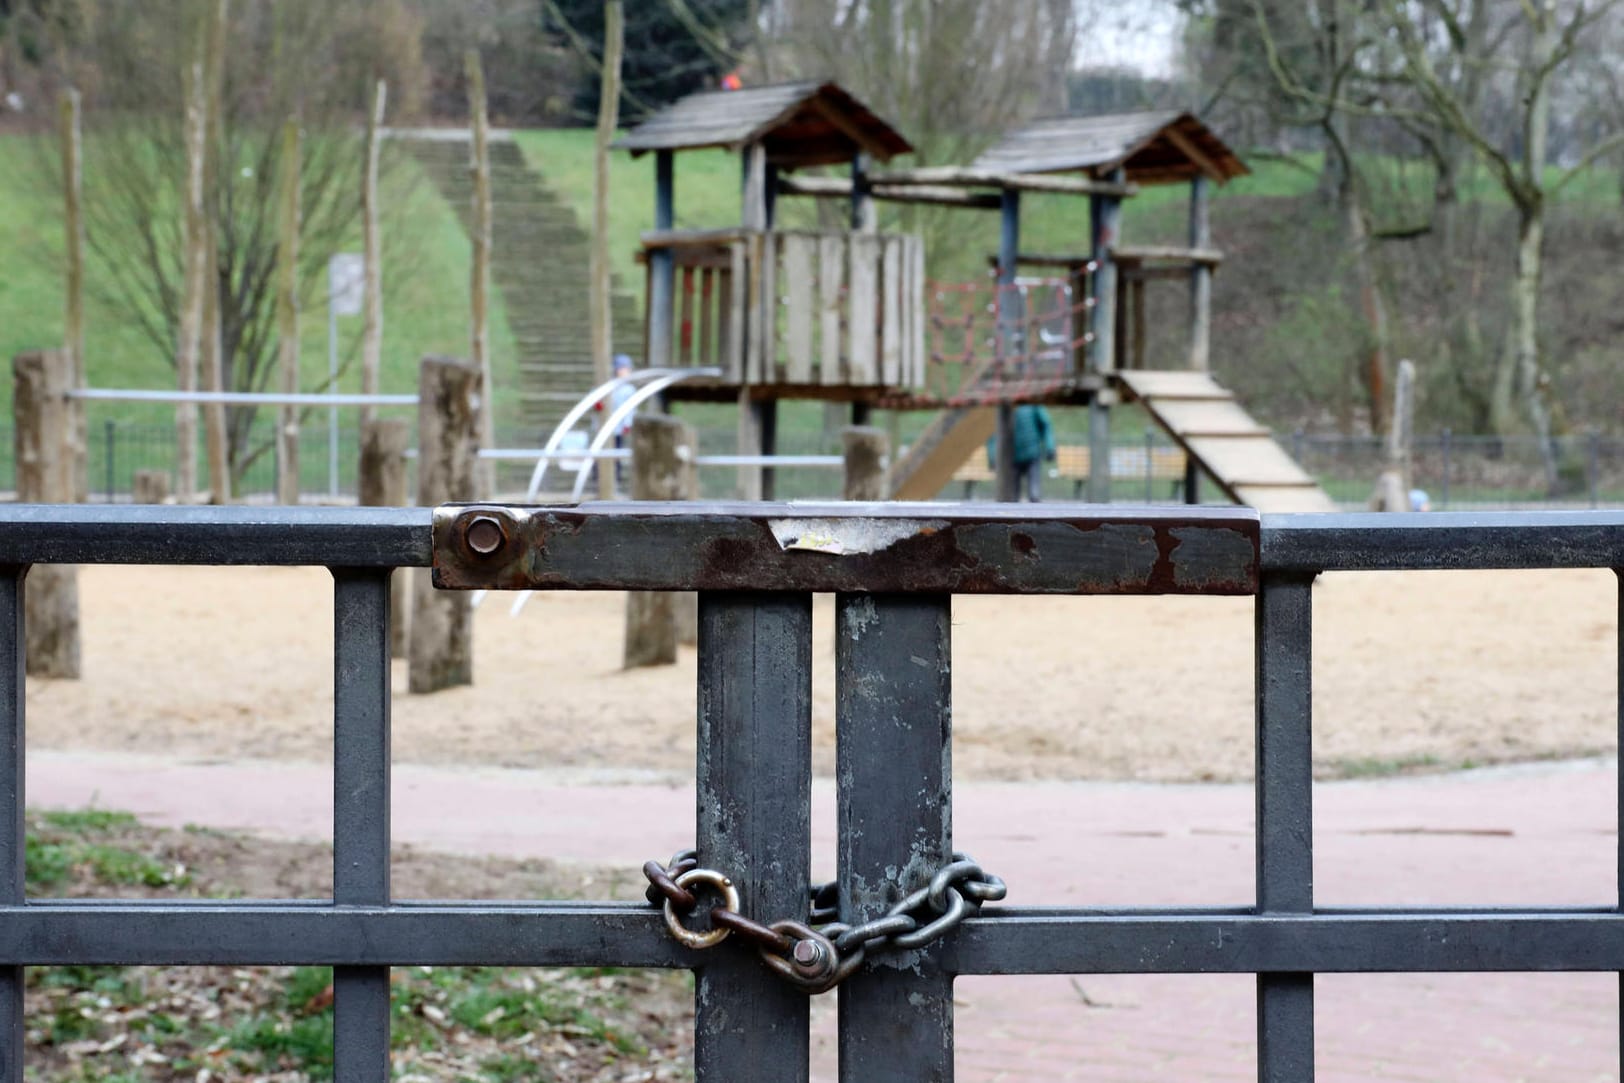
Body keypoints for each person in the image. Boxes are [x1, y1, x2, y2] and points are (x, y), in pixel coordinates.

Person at [985, 404, 1056, 502]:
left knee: (1033, 494)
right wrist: (993, 457)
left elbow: (1045, 425)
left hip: (1031, 454)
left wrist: (1049, 447)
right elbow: (994, 433)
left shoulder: (1033, 404)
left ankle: (1035, 515)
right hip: (1012, 456)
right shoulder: (1006, 406)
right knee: (1012, 495)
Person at [607, 355, 635, 485]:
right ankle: (600, 480)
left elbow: (630, 409)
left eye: (626, 368)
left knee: (616, 453)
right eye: (622, 368)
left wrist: (627, 424)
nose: (624, 371)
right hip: (605, 428)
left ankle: (616, 479)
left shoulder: (629, 389)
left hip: (618, 428)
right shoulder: (609, 386)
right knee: (602, 455)